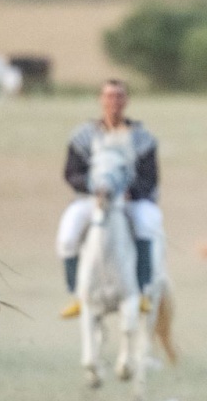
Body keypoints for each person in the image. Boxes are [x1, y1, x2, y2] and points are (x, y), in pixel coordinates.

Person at [56, 79, 162, 317]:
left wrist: (131, 192)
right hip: (91, 199)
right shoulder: (82, 137)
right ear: (101, 100)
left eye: (118, 96)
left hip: (130, 200)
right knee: (68, 235)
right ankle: (77, 294)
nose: (114, 101)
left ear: (126, 101)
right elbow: (71, 173)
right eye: (109, 96)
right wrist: (92, 187)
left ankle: (143, 288)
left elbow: (150, 177)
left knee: (146, 224)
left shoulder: (142, 138)